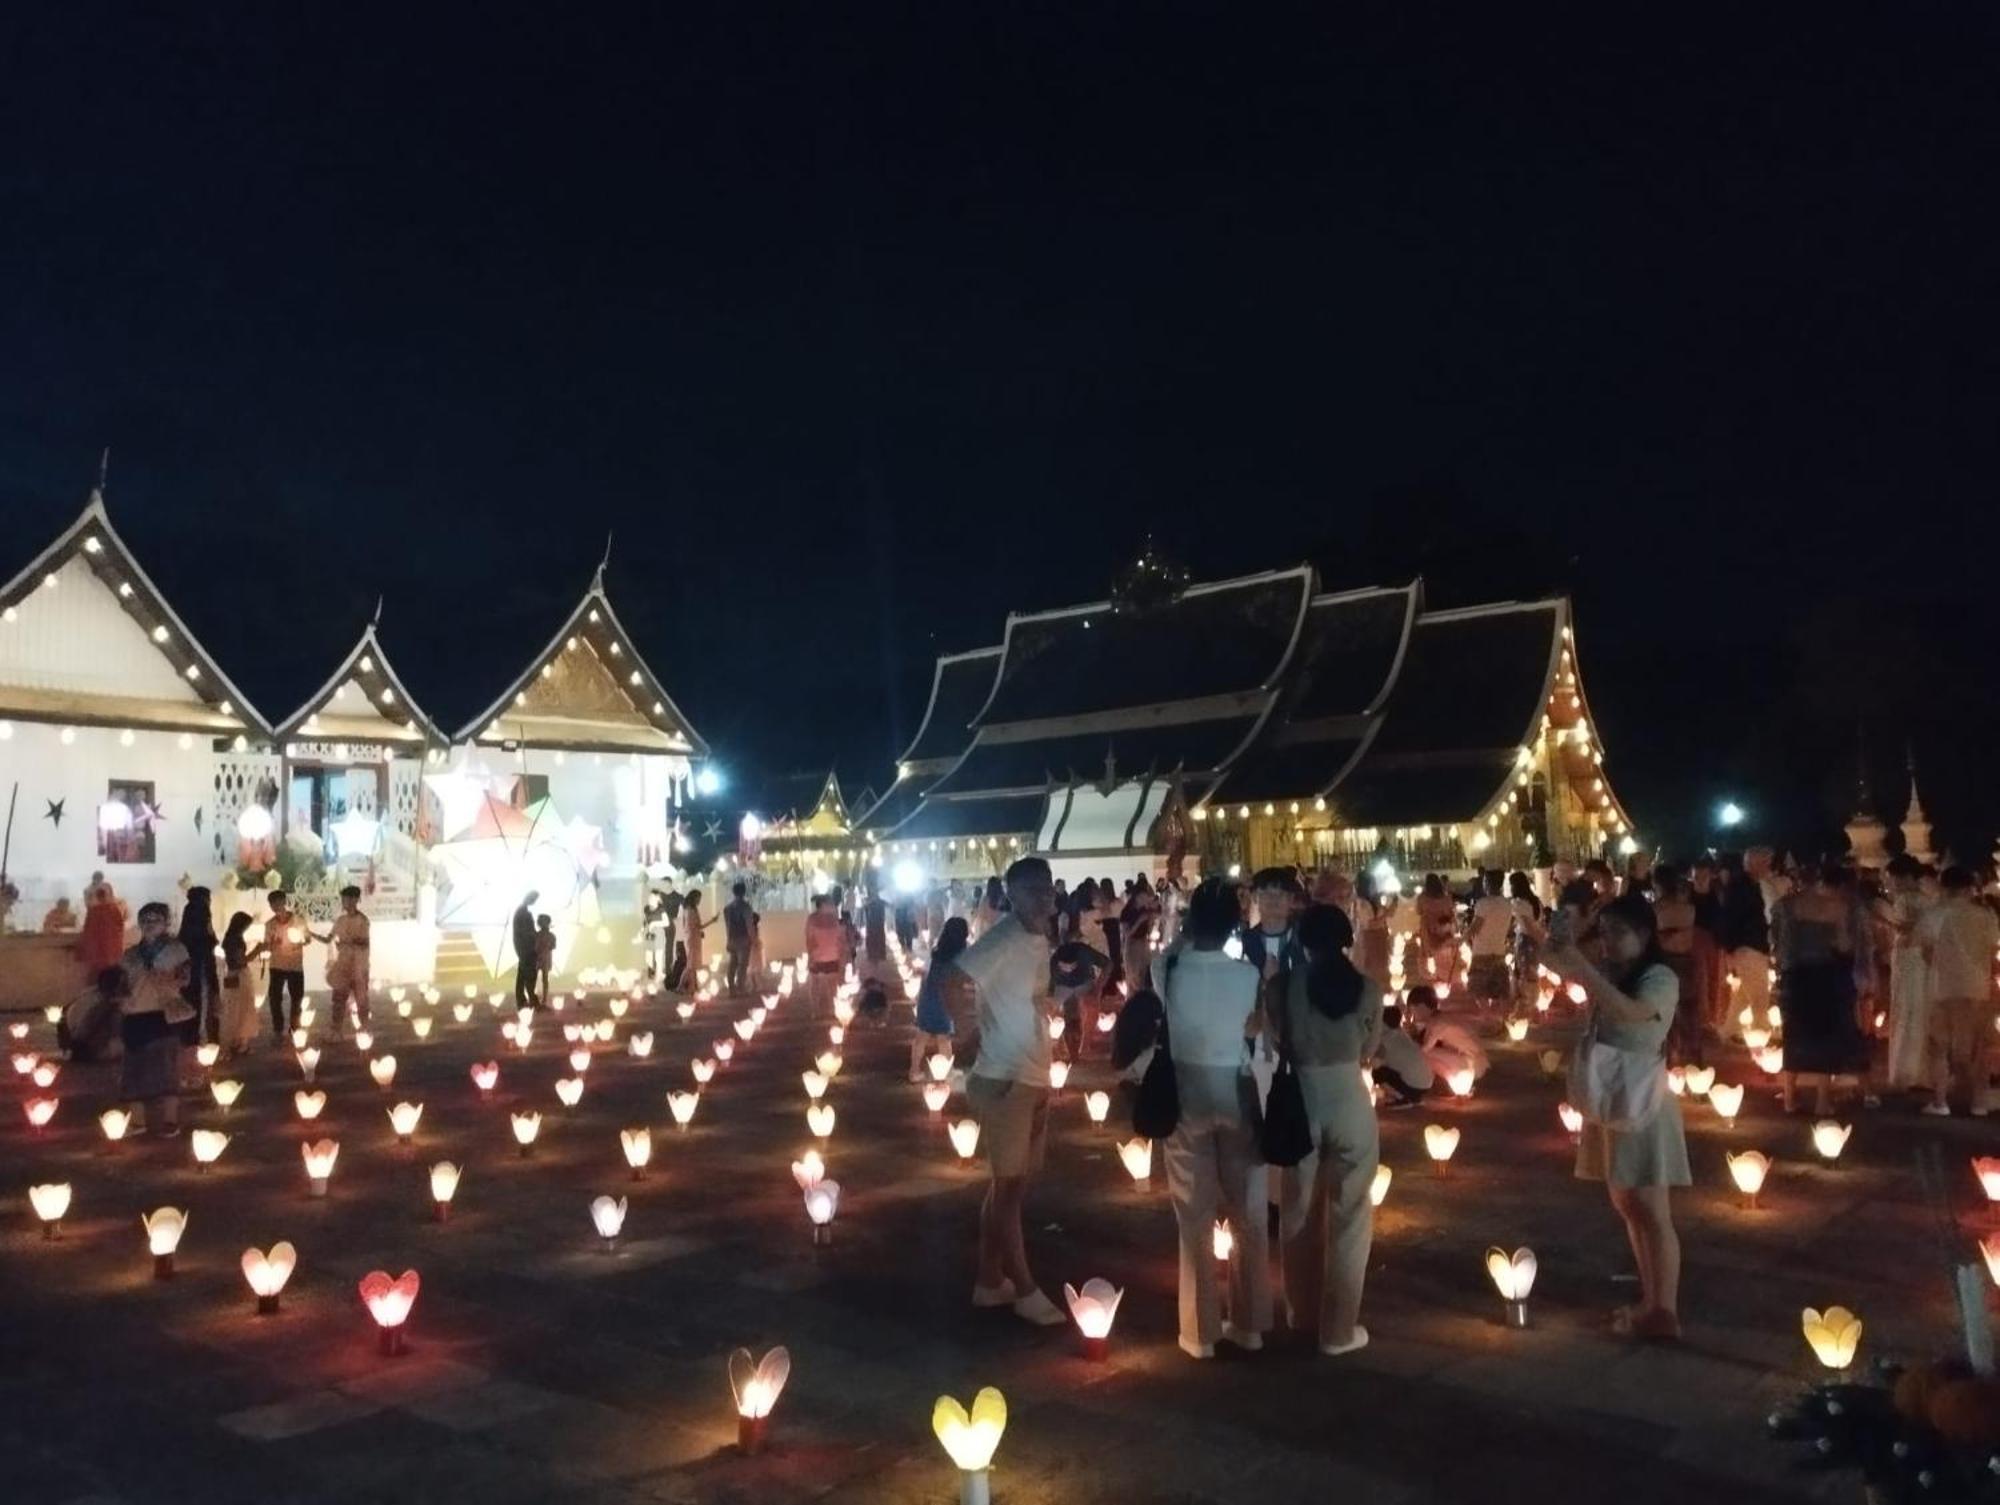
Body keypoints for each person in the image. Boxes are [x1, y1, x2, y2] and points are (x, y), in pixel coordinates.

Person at [1530, 892, 1687, 1340]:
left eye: (1618, 932)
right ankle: (1651, 1302)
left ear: (1644, 934)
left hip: (1642, 1103)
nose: (1609, 942)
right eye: (1605, 932)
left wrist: (1584, 969)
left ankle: (1665, 1309)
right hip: (1613, 1096)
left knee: (1653, 1209)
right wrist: (1565, 933)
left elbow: (1631, 1012)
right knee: (1628, 1204)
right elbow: (1553, 959)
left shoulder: (1659, 977)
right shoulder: (1616, 972)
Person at [944, 856, 1067, 1327]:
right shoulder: (1004, 938)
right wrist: (966, 1033)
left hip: (1031, 1073)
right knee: (1010, 1188)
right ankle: (1025, 1287)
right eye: (1032, 890)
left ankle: (989, 1280)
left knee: (1009, 1187)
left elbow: (1024, 995)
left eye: (1048, 888)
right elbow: (952, 979)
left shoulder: (1037, 940)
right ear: (1011, 896)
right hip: (1004, 1077)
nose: (1044, 897)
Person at [1155, 877, 1271, 1358]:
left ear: (1191, 921)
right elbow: (1254, 1027)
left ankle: (1200, 1332)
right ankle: (1249, 1323)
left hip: (1185, 1092)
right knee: (1248, 1211)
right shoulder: (1246, 974)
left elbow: (1168, 954)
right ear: (1233, 924)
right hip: (1236, 1089)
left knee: (1194, 1213)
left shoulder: (1170, 968)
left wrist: (1182, 926)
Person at [1274, 903, 1383, 1356]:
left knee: (1298, 1210)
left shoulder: (1282, 987)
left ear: (1301, 941)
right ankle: (1339, 1330)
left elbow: (1277, 1040)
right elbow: (1370, 1050)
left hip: (1302, 1096)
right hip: (1350, 1098)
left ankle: (1302, 1313)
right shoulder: (1368, 989)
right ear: (1347, 938)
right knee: (1352, 1215)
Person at [1771, 860, 1868, 1116]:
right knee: (1826, 1037)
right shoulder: (1834, 907)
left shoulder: (1783, 906)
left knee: (1793, 1035)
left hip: (1794, 976)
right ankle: (1822, 1101)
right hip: (1826, 975)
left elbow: (1776, 944)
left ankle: (1790, 1097)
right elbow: (1845, 945)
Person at [1919, 866, 2000, 1117]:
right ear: (1969, 888)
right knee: (1980, 1047)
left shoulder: (1935, 914)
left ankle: (1941, 1101)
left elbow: (1924, 949)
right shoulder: (1985, 915)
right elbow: (1992, 948)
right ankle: (1979, 1101)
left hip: (1943, 987)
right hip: (1979, 987)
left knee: (1940, 1046)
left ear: (1944, 887)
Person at [118, 901, 191, 1136]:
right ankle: (138, 1121)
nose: (149, 924)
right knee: (133, 1069)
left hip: (163, 1014)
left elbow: (185, 979)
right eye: (145, 920)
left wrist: (168, 978)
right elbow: (120, 984)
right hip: (135, 1014)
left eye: (155, 919)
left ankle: (170, 1121)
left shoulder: (176, 950)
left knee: (166, 1069)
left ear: (166, 923)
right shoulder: (130, 955)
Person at [1880, 856, 1933, 1094]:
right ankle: (1922, 1070)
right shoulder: (1927, 899)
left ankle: (1905, 1071)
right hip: (1921, 958)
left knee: (1905, 1010)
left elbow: (1905, 927)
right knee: (1920, 1010)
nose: (1891, 883)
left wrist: (1883, 921)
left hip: (1907, 955)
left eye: (1893, 878)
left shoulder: (1904, 899)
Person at [1651, 865, 1705, 1065]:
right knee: (1690, 1012)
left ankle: (1670, 1061)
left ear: (1657, 884)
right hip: (1687, 962)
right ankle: (1695, 1058)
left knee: (1667, 1015)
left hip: (1665, 963)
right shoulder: (1689, 909)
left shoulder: (1656, 910)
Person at [1717, 853, 1771, 1037]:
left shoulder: (1746, 885)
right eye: (1765, 861)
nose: (1768, 865)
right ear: (1752, 863)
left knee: (1743, 998)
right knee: (1759, 999)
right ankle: (1762, 1036)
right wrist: (1729, 949)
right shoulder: (1742, 887)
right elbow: (1730, 918)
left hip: (1750, 946)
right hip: (1748, 947)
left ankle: (1728, 1032)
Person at [910, 916, 968, 1081]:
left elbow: (926, 973)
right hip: (945, 998)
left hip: (928, 996)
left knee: (922, 1035)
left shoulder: (936, 953)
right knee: (944, 1037)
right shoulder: (962, 956)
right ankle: (947, 1071)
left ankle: (914, 1071)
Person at [250, 890, 309, 1039]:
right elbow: (267, 945)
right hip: (277, 965)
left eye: (278, 902)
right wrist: (271, 945)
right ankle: (278, 1028)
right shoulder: (270, 924)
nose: (276, 906)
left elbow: (307, 938)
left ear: (284, 902)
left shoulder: (298, 920)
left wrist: (300, 941)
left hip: (295, 965)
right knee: (275, 998)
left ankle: (295, 1027)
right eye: (272, 904)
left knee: (297, 997)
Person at [1405, 985, 1490, 1084]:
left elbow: (1423, 1049)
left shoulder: (1438, 1024)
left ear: (1421, 1006)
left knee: (1423, 1055)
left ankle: (1448, 1083)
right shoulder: (1441, 1018)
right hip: (1474, 1060)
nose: (1412, 1014)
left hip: (1471, 1064)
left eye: (1412, 1009)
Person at [323, 885, 372, 1034]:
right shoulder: (340, 920)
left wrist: (346, 943)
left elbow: (364, 942)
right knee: (338, 1000)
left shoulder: (362, 920)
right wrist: (307, 933)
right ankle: (336, 1031)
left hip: (359, 966)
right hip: (343, 966)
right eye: (344, 899)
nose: (345, 902)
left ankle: (365, 1030)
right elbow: (328, 939)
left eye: (349, 898)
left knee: (361, 1000)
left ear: (356, 900)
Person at [176, 886, 220, 1045]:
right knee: (202, 1002)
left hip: (191, 962)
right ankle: (201, 1039)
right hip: (202, 963)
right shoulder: (202, 910)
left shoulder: (188, 913)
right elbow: (210, 936)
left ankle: (190, 1040)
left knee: (191, 1001)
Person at [1371, 1001, 1434, 1107]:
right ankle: (1413, 1097)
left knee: (1377, 1073)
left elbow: (1375, 1064)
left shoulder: (1384, 1040)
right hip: (1426, 1084)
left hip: (1414, 1086)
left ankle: (1404, 1098)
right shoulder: (1402, 1034)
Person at [1465, 870, 1513, 1007]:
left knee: (1480, 991)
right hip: (1498, 951)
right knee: (1498, 990)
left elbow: (1475, 927)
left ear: (1487, 883)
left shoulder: (1483, 904)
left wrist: (1461, 940)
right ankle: (1498, 1019)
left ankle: (1487, 1017)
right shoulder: (1507, 904)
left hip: (1481, 952)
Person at [61, 965, 128, 1062]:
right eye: (124, 985)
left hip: (82, 1046)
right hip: (93, 1048)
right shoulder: (101, 1004)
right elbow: (81, 1032)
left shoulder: (88, 997)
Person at [218, 911, 259, 1056]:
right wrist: (258, 950)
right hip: (240, 975)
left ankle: (234, 1040)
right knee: (243, 1008)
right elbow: (241, 960)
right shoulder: (236, 939)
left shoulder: (228, 938)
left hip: (230, 974)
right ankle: (242, 1042)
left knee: (232, 1008)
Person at [803, 891, 844, 1018]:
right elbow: (809, 939)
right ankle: (815, 1009)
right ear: (822, 905)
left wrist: (842, 955)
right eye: (829, 903)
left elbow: (840, 939)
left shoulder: (834, 918)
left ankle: (832, 1008)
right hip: (818, 956)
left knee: (832, 985)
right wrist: (810, 956)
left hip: (832, 956)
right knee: (815, 984)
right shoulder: (812, 919)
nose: (832, 905)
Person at [1415, 873, 1459, 989]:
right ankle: (1444, 981)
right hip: (1445, 931)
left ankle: (1432, 981)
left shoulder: (1422, 898)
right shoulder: (1447, 898)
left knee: (1429, 955)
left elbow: (1419, 911)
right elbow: (1451, 914)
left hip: (1429, 931)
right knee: (1444, 958)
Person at [76, 881, 127, 978]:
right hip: (111, 951)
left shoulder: (94, 911)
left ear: (98, 897)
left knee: (97, 977)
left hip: (98, 952)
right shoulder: (114, 909)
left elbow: (86, 932)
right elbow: (120, 928)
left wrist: (82, 952)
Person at [722, 881, 756, 995]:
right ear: (744, 892)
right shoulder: (746, 907)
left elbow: (727, 926)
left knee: (732, 964)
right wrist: (753, 939)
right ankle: (740, 987)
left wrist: (728, 940)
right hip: (743, 939)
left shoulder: (727, 908)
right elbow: (749, 924)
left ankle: (732, 989)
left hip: (732, 938)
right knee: (742, 965)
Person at [511, 890, 541, 1008]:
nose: (534, 901)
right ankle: (531, 999)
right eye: (534, 899)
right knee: (529, 974)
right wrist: (536, 935)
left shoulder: (522, 911)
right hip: (526, 947)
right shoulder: (523, 913)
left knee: (523, 974)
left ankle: (522, 999)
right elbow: (525, 932)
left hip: (523, 946)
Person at [681, 890, 713, 989]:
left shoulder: (688, 909)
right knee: (691, 964)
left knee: (692, 964)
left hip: (692, 937)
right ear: (694, 898)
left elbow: (688, 926)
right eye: (698, 898)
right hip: (692, 938)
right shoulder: (691, 910)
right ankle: (681, 986)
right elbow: (697, 926)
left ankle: (694, 985)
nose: (699, 900)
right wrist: (712, 921)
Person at [534, 914, 556, 1001]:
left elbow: (553, 946)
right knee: (537, 978)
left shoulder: (550, 936)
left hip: (544, 958)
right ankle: (537, 997)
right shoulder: (537, 935)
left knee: (544, 978)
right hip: (539, 958)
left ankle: (544, 998)